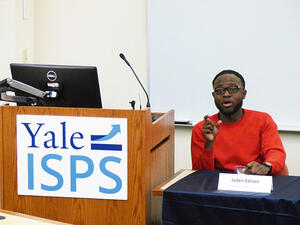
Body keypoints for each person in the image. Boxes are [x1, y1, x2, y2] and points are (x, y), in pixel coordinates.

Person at [191, 70, 287, 175]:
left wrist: (266, 166)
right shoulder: (204, 128)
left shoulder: (263, 120)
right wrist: (209, 143)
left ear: (244, 94)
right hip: (220, 185)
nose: (226, 94)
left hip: (257, 180)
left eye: (233, 89)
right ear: (214, 96)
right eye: (220, 90)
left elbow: (275, 152)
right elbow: (200, 175)